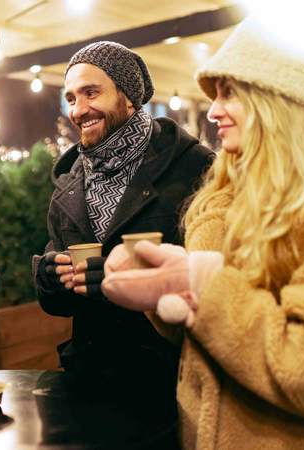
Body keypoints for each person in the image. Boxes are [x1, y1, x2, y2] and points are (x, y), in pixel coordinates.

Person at [101, 18, 304, 450]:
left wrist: (201, 287)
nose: (211, 110)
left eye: (230, 92)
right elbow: (217, 339)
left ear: (280, 99)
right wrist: (159, 284)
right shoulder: (231, 195)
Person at [31, 40, 213, 429]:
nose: (78, 110)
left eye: (91, 92)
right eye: (71, 98)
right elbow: (58, 303)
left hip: (167, 387)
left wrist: (121, 280)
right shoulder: (68, 181)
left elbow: (219, 277)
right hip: (87, 384)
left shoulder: (193, 167)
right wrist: (49, 278)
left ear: (128, 96)